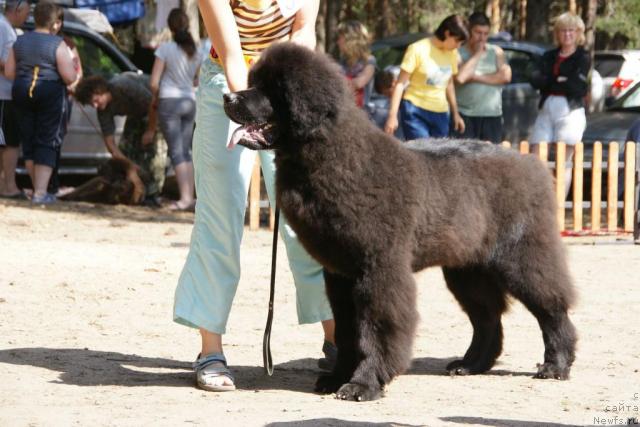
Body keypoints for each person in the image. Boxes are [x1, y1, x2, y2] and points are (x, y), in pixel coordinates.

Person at [173, 0, 335, 392]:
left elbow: (303, 32)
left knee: (308, 220)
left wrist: (289, 94)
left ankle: (339, 340)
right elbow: (230, 53)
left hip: (283, 82)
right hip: (227, 85)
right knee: (220, 216)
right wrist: (255, 112)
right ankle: (210, 350)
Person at [4, 1, 77, 205]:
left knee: (29, 141)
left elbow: (10, 73)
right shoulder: (58, 44)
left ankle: (37, 189)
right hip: (49, 92)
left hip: (21, 91)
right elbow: (70, 76)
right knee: (47, 139)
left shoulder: (19, 41)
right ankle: (40, 193)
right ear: (55, 23)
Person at [74, 73, 167, 206]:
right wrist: (130, 167)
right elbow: (110, 144)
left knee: (154, 151)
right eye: (91, 104)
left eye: (95, 100)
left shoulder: (123, 86)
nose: (95, 106)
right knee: (125, 150)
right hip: (136, 114)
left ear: (101, 91)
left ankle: (153, 195)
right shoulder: (103, 110)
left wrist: (150, 130)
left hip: (157, 108)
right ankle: (133, 189)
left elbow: (153, 103)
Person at [529, 12, 590, 199]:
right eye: (563, 30)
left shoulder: (582, 57)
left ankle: (559, 206)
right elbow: (535, 80)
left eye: (571, 30)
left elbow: (577, 87)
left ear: (579, 32)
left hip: (570, 110)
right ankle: (539, 201)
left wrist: (552, 80)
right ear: (557, 33)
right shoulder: (548, 56)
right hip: (547, 106)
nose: (567, 34)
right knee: (536, 156)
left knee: (563, 160)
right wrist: (560, 80)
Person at [384, 14, 468, 139]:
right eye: (457, 41)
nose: (458, 46)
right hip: (415, 111)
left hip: (441, 114)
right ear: (447, 33)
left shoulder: (452, 53)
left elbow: (449, 83)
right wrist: (392, 115)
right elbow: (400, 84)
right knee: (422, 155)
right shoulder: (417, 49)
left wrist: (455, 113)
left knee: (440, 156)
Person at [149, 8, 199, 211]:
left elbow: (153, 82)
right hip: (190, 100)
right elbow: (196, 79)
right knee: (186, 151)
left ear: (170, 27)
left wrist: (156, 96)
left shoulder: (165, 49)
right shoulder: (194, 50)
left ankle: (185, 198)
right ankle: (191, 197)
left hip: (169, 101)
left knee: (177, 152)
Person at [454, 12, 511, 144]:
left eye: (486, 34)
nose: (482, 38)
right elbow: (461, 78)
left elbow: (506, 76)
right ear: (469, 31)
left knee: (491, 160)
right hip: (465, 115)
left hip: (492, 115)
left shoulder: (496, 52)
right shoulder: (458, 52)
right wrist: (478, 54)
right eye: (478, 33)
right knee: (465, 159)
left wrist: (474, 77)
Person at [0, 0, 30, 199]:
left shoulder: (5, 27)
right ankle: (9, 186)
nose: (28, 17)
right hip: (4, 94)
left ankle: (7, 184)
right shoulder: (3, 28)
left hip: (6, 93)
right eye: (27, 12)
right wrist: (21, 69)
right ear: (17, 10)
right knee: (10, 142)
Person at [336, 20, 376, 108]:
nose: (338, 42)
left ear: (351, 40)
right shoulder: (343, 61)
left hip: (363, 113)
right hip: (347, 109)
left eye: (340, 38)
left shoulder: (369, 60)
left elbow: (359, 83)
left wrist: (338, 83)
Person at [367, 65, 404, 139]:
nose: (389, 97)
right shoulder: (388, 73)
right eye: (386, 95)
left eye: (388, 94)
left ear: (394, 83)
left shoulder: (403, 80)